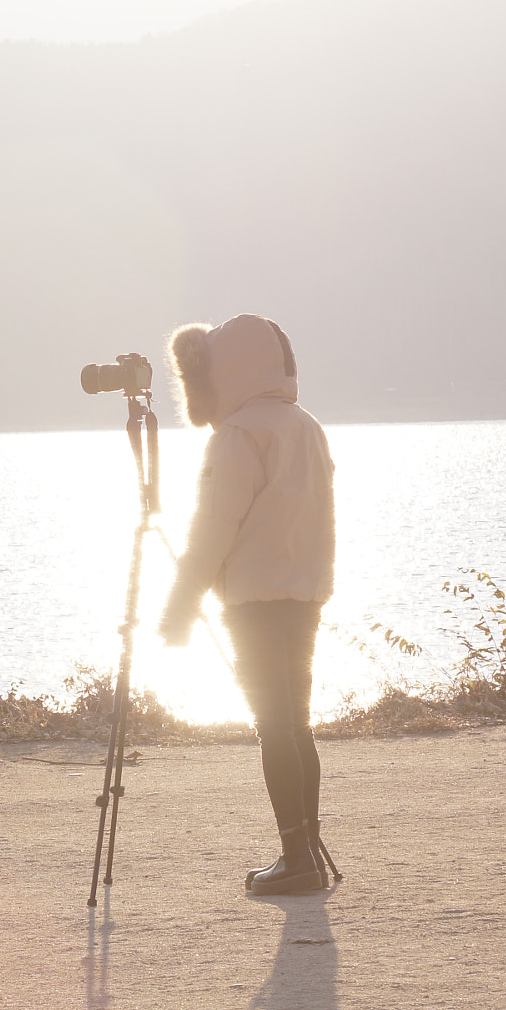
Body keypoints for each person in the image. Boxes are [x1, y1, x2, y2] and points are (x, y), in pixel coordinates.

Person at [158, 313, 336, 895]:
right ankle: (306, 848)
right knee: (297, 725)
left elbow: (215, 525)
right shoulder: (306, 426)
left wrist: (180, 607)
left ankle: (296, 858)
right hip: (304, 594)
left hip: (254, 600)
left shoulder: (237, 434)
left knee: (272, 727)